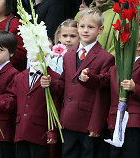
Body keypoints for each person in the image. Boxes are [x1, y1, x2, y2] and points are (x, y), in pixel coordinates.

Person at [42, 8, 115, 158]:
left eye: (91, 27)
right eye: (82, 27)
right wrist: (51, 83)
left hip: (88, 123)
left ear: (100, 30)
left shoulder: (105, 57)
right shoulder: (69, 55)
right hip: (68, 119)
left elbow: (104, 90)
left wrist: (96, 124)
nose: (85, 30)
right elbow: (64, 85)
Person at [106, 24, 140, 158]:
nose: (119, 46)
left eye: (123, 42)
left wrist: (136, 88)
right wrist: (87, 78)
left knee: (132, 153)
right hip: (115, 119)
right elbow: (103, 81)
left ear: (139, 45)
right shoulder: (115, 68)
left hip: (135, 122)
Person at [4, 51, 60, 158]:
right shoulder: (19, 77)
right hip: (21, 131)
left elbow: (56, 107)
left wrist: (52, 131)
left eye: (44, 54)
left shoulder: (54, 78)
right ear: (27, 54)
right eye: (35, 52)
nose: (39, 57)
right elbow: (13, 100)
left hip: (41, 132)